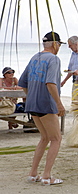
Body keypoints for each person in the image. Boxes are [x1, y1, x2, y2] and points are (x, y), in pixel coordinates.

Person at [18, 31, 66, 185]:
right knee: (56, 139)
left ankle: (33, 174)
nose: (58, 47)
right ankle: (46, 176)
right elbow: (50, 83)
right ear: (55, 44)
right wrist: (59, 104)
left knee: (44, 138)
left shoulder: (34, 57)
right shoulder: (54, 59)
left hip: (32, 103)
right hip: (46, 103)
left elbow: (22, 82)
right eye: (59, 44)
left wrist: (32, 95)